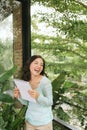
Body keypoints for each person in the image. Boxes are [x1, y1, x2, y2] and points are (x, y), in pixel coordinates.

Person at [14, 55, 53, 130]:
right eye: (36, 63)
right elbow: (27, 103)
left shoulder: (45, 82)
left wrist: (38, 96)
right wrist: (19, 96)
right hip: (30, 122)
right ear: (29, 64)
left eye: (41, 64)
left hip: (44, 124)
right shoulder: (26, 80)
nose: (39, 66)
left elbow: (50, 102)